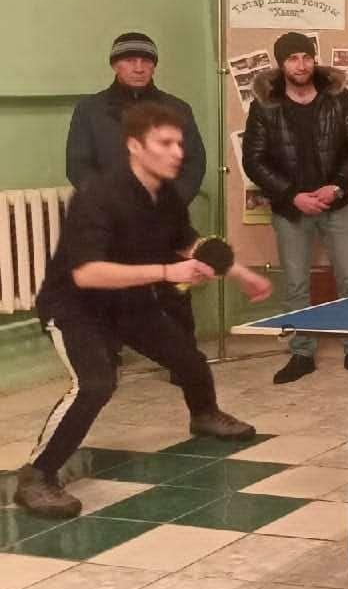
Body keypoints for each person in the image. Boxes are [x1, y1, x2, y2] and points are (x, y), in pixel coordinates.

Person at [13, 103, 271, 519]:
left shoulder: (165, 194)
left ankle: (204, 414)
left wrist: (242, 274)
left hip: (129, 303)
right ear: (135, 146)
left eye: (179, 144)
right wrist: (168, 272)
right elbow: (87, 273)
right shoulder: (98, 195)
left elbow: (188, 243)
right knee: (95, 384)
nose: (177, 153)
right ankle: (37, 475)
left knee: (187, 358)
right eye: (164, 143)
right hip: (75, 307)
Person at [242, 32, 348, 386]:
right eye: (292, 59)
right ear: (281, 64)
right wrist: (292, 196)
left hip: (336, 203)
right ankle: (302, 353)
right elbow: (253, 160)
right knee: (296, 284)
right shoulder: (265, 105)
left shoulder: (337, 97)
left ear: (314, 59)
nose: (301, 65)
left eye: (306, 57)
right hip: (291, 209)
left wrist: (337, 186)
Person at [67, 32, 206, 205]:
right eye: (130, 60)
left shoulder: (178, 109)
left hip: (163, 212)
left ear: (154, 66)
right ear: (115, 65)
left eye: (146, 61)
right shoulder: (90, 110)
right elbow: (78, 165)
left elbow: (193, 164)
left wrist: (171, 202)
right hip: (107, 212)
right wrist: (106, 201)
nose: (139, 68)